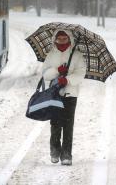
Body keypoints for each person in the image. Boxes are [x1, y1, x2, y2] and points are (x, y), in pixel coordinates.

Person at [42, 29, 86, 166]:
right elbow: (45, 75)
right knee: (55, 123)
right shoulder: (51, 55)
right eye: (59, 39)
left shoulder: (77, 55)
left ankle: (66, 154)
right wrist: (56, 71)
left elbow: (81, 73)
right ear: (55, 39)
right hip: (55, 94)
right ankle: (55, 151)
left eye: (64, 38)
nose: (62, 41)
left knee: (68, 124)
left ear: (69, 39)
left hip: (71, 94)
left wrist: (67, 80)